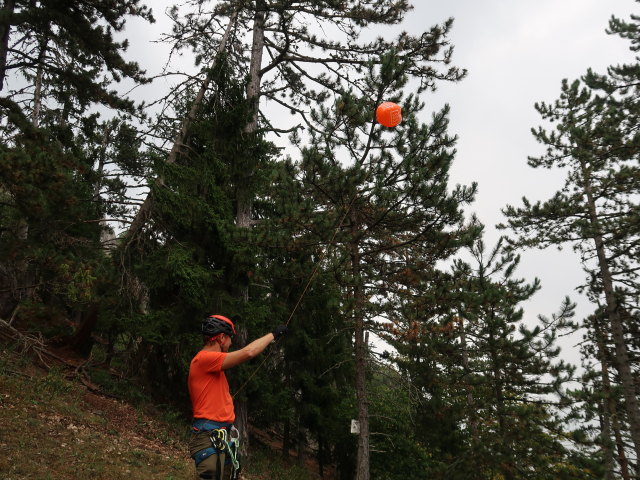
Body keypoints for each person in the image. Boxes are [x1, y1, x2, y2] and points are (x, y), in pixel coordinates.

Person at [188, 314, 288, 480]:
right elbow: (249, 352)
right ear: (221, 337)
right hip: (208, 435)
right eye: (230, 338)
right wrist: (273, 334)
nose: (231, 342)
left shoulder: (212, 366)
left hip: (221, 435)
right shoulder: (203, 359)